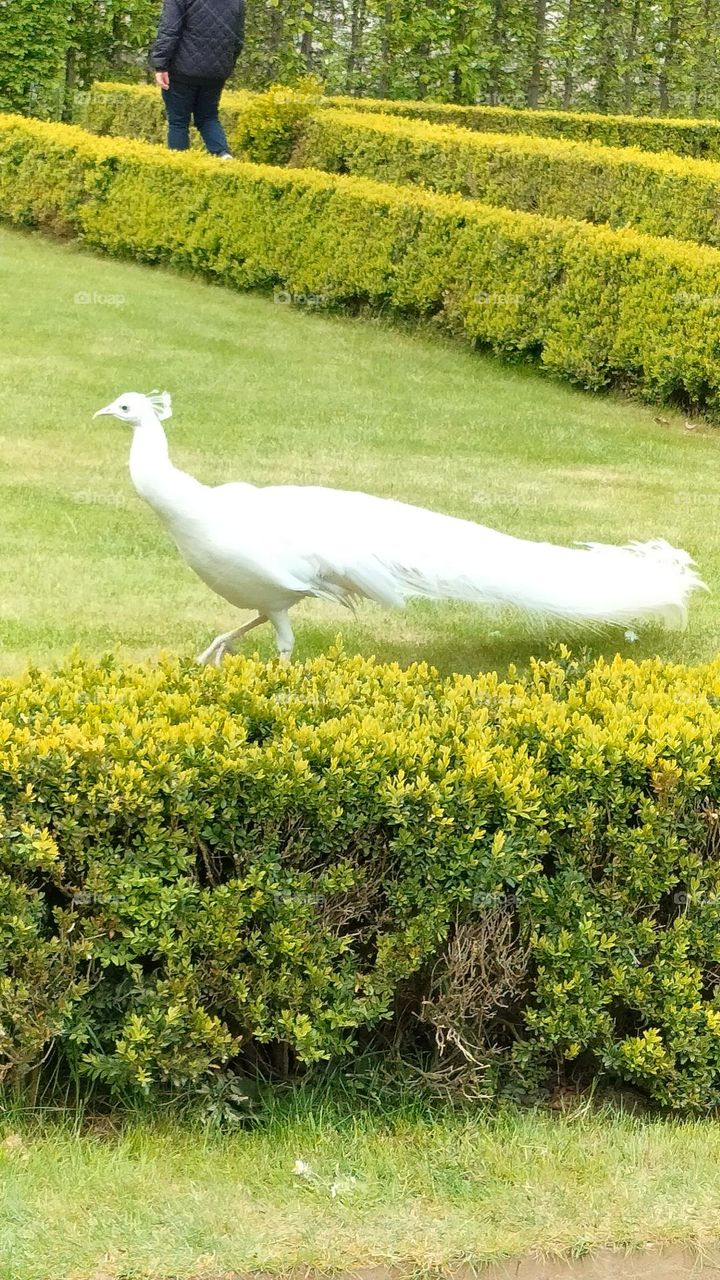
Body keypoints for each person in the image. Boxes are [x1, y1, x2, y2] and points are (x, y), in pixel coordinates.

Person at [151, 0, 245, 158]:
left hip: (182, 70)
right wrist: (226, 66)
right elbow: (238, 38)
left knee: (178, 122)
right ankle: (223, 155)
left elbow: (169, 30)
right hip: (216, 72)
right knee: (208, 117)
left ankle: (180, 165)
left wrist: (161, 65)